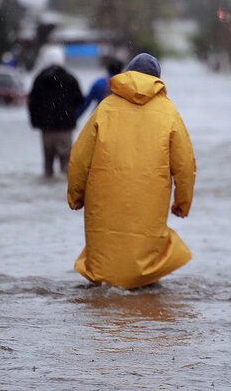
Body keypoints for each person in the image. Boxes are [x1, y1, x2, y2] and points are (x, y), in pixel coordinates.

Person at [67, 53, 196, 289]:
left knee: (105, 254)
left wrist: (76, 195)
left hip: (105, 197)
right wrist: (182, 202)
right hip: (150, 198)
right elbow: (185, 164)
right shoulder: (168, 113)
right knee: (146, 253)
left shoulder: (105, 108)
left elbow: (79, 158)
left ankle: (102, 302)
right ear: (157, 79)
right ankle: (142, 295)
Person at [27, 47, 83, 178]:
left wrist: (36, 122)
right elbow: (80, 101)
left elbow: (32, 103)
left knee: (48, 167)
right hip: (65, 129)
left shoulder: (39, 79)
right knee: (66, 168)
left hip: (46, 129)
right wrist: (72, 117)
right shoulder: (70, 79)